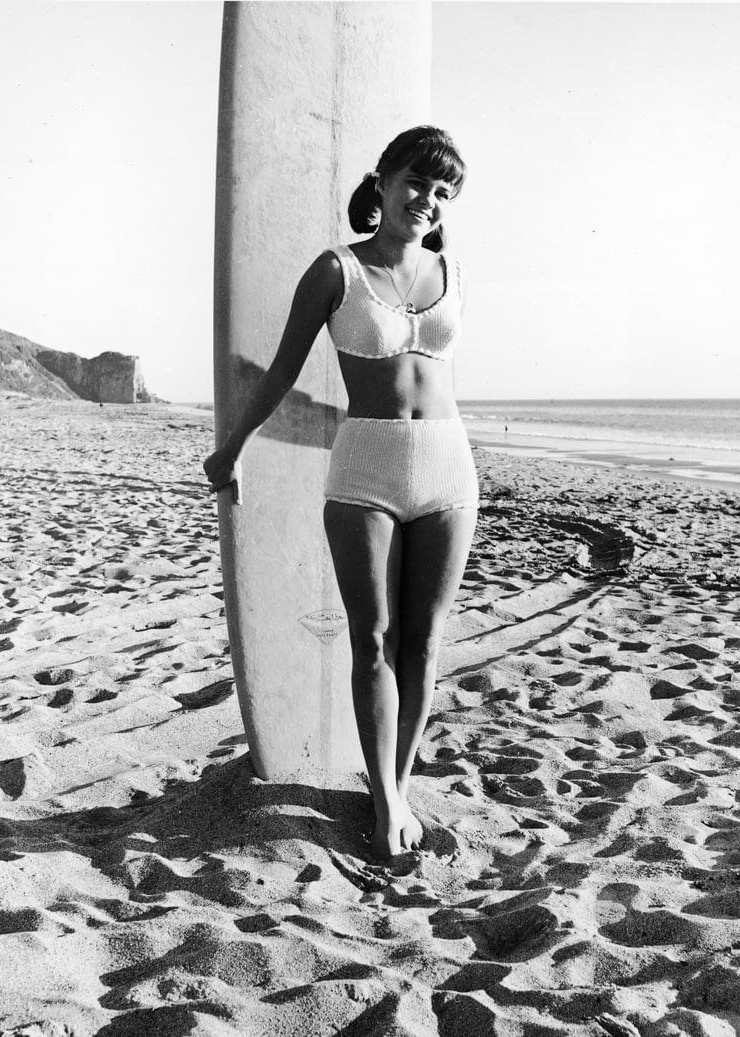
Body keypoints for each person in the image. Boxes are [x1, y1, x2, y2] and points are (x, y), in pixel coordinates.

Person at [204, 126, 478, 860]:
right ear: (383, 180)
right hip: (366, 470)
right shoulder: (335, 270)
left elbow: (440, 381)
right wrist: (230, 449)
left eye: (442, 190)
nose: (428, 199)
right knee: (375, 638)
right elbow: (280, 373)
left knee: (424, 639)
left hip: (450, 470)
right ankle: (385, 802)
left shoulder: (450, 269)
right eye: (417, 181)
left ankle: (398, 783)